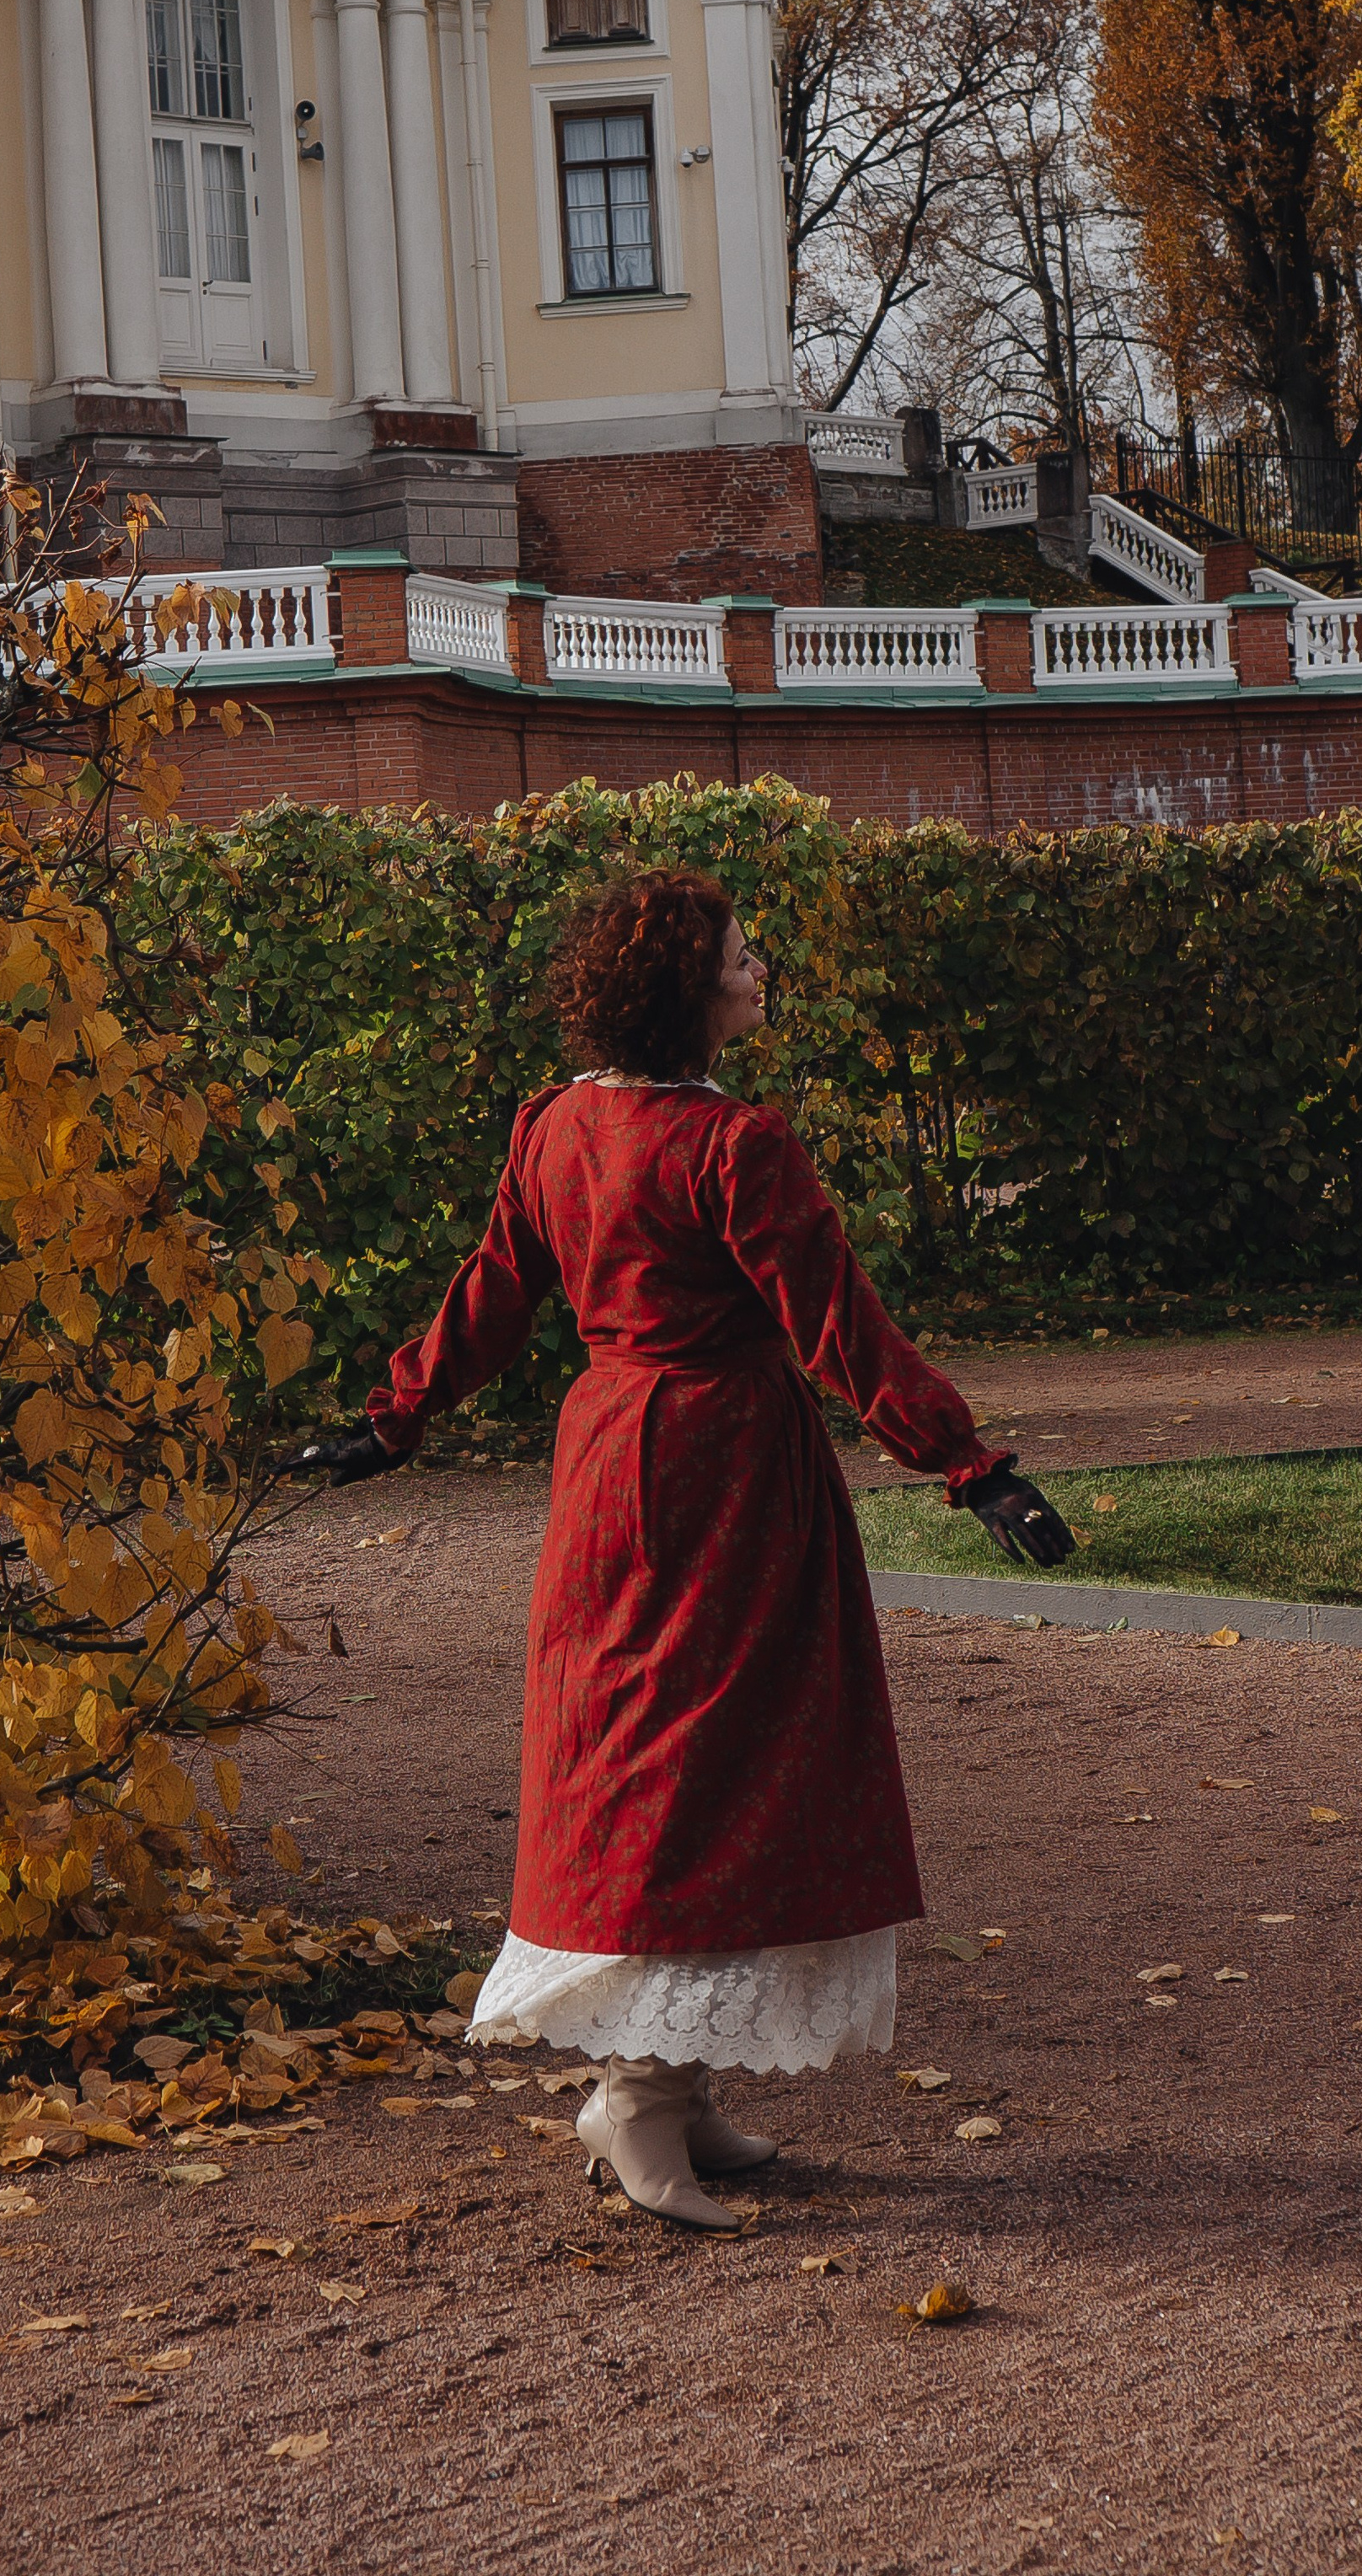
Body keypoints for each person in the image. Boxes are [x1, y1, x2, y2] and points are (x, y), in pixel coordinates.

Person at [291, 870, 1074, 2231]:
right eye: (739, 958)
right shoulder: (736, 1148)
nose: (757, 971)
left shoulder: (556, 1127)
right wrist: (971, 1467)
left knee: (677, 1757)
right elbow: (840, 1328)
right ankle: (637, 2100)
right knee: (701, 1768)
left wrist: (397, 1419)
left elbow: (487, 1298)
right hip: (723, 1479)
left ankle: (681, 2082)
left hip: (610, 1466)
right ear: (686, 992)